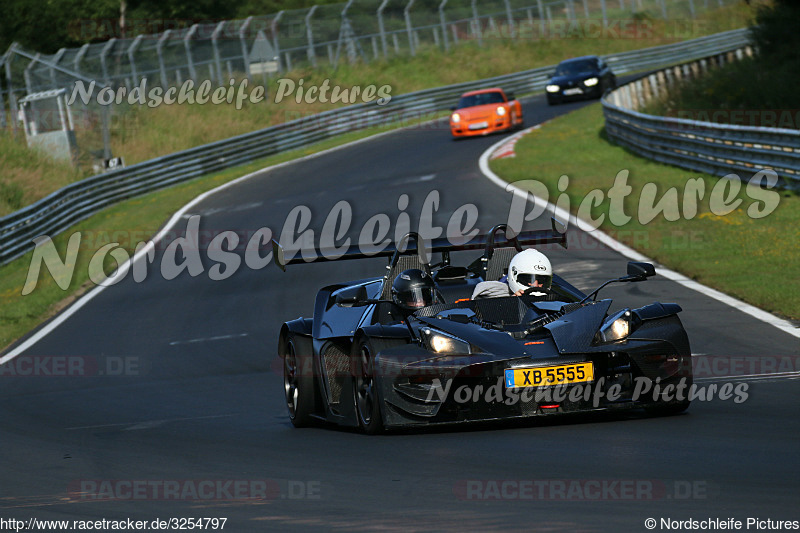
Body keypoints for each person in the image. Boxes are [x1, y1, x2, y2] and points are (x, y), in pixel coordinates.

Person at [471, 249, 552, 299]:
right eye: (528, 279)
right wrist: (511, 303)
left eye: (542, 280)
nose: (535, 285)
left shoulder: (555, 299)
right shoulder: (490, 299)